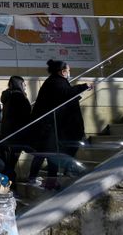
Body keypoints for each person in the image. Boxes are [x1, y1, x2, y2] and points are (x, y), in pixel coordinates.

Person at [28, 59, 93, 190]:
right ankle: (50, 181)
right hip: (49, 126)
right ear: (63, 71)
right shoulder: (56, 82)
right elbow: (66, 94)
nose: (70, 72)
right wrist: (84, 86)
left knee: (46, 153)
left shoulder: (54, 81)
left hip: (48, 125)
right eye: (68, 70)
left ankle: (40, 178)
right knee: (51, 154)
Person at [0, 76, 32, 183]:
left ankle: (6, 185)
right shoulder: (18, 97)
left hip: (7, 135)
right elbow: (25, 116)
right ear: (19, 84)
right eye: (23, 84)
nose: (25, 86)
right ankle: (9, 186)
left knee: (9, 163)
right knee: (11, 164)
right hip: (17, 136)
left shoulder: (8, 96)